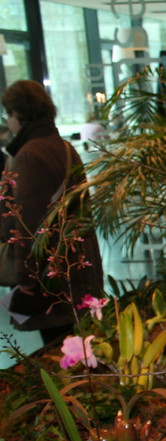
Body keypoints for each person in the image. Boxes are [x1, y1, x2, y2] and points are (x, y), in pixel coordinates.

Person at [1, 80, 104, 344]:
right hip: (76, 263)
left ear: (19, 113)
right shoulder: (63, 147)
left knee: (58, 346)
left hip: (51, 274)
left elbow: (28, 224)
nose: (8, 121)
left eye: (8, 114)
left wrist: (26, 277)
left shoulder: (28, 155)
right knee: (79, 342)